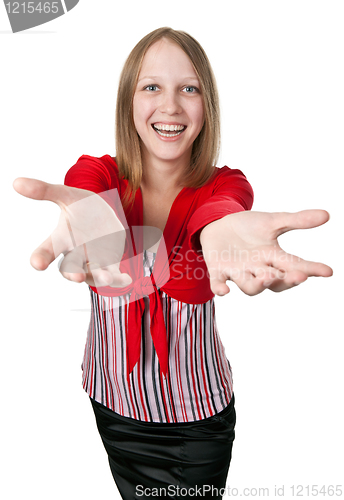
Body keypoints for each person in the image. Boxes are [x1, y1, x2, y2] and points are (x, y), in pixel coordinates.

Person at [13, 27, 332, 500]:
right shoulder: (101, 178)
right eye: (151, 87)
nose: (170, 106)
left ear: (207, 106)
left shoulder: (226, 187)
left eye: (189, 88)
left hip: (196, 421)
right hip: (112, 402)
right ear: (129, 103)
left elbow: (219, 216)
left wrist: (218, 234)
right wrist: (92, 209)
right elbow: (85, 182)